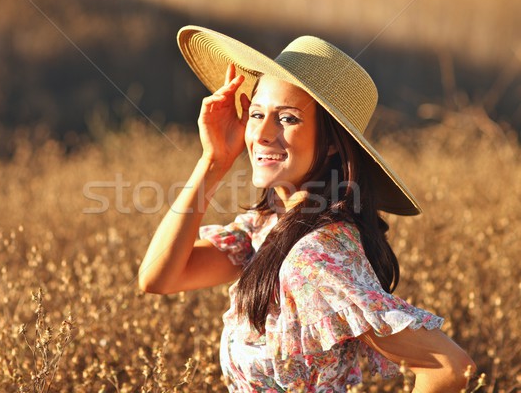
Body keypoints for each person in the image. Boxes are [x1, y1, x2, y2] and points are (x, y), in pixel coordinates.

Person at [139, 25, 475, 392]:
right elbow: (159, 279)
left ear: (332, 143)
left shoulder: (314, 258)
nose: (263, 133)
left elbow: (449, 368)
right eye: (255, 114)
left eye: (287, 118)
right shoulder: (266, 228)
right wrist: (213, 161)